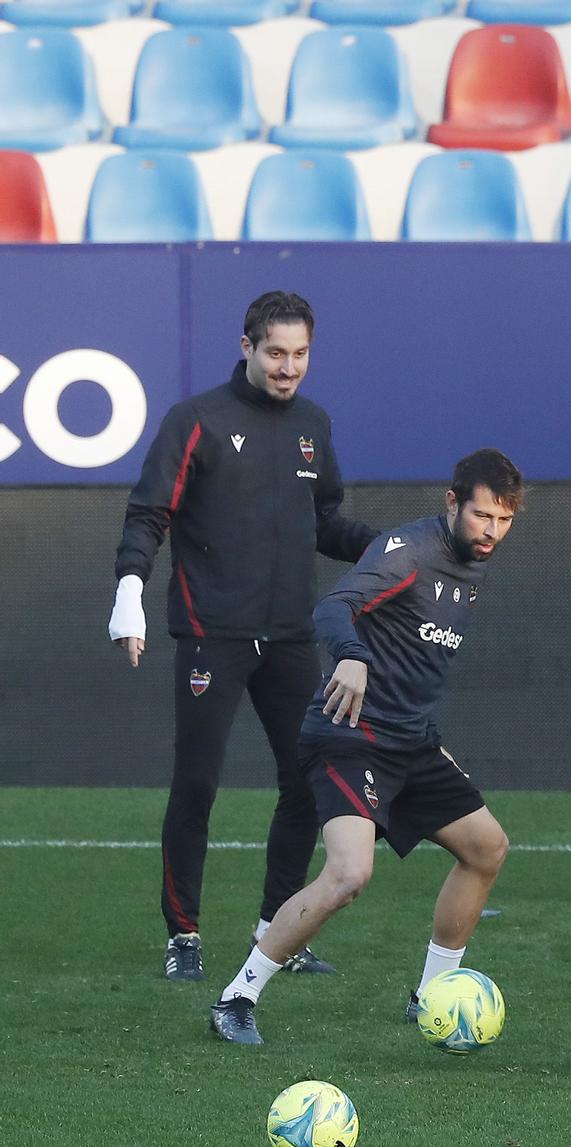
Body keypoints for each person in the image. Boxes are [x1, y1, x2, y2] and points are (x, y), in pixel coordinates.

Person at [207, 450, 525, 1046]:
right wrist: (351, 657)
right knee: (350, 874)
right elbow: (332, 606)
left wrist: (431, 744)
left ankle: (433, 994)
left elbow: (413, 663)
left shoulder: (471, 564)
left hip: (410, 742)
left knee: (486, 848)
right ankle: (237, 996)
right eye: (482, 516)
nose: (491, 532)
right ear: (452, 502)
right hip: (349, 735)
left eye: (504, 521)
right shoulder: (409, 551)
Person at [110, 291, 375, 982]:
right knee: (197, 783)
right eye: (276, 352)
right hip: (211, 633)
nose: (289, 367)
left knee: (303, 781)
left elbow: (325, 524)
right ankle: (184, 935)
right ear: (247, 346)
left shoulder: (314, 424)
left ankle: (275, 930)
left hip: (289, 636)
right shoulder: (196, 420)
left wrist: (390, 547)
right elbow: (148, 513)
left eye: (301, 354)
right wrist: (129, 589)